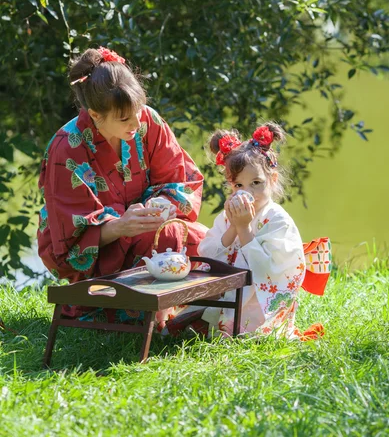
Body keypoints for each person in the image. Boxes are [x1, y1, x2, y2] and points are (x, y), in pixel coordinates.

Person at [37, 46, 206, 319]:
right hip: (100, 250)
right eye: (125, 118)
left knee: (210, 243)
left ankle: (177, 308)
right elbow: (67, 239)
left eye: (138, 110)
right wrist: (120, 226)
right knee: (168, 242)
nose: (136, 122)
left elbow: (180, 178)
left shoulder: (149, 121)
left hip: (147, 231)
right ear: (95, 115)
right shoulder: (66, 147)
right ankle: (155, 311)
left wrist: (161, 203)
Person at [196, 123, 330, 339]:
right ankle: (221, 323)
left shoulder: (278, 219)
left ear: (272, 179)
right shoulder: (228, 214)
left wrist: (244, 228)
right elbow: (208, 254)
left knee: (249, 325)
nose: (247, 192)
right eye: (238, 185)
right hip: (229, 292)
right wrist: (232, 227)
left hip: (259, 302)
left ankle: (249, 330)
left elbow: (275, 269)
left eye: (256, 183)